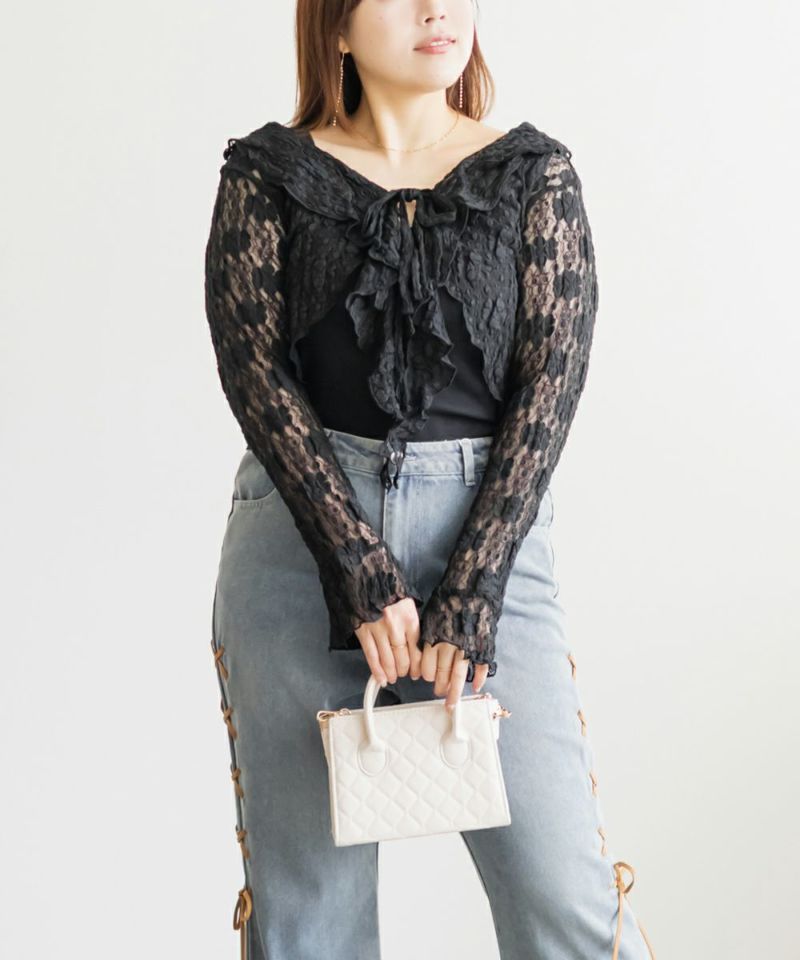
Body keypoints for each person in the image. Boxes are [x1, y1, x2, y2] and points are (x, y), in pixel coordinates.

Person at [204, 1, 656, 958]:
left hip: (485, 531)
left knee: (563, 905)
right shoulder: (268, 175)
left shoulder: (532, 174)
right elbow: (253, 371)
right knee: (308, 924)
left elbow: (552, 384)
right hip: (301, 544)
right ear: (334, 25)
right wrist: (357, 565)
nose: (437, 8)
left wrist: (477, 583)